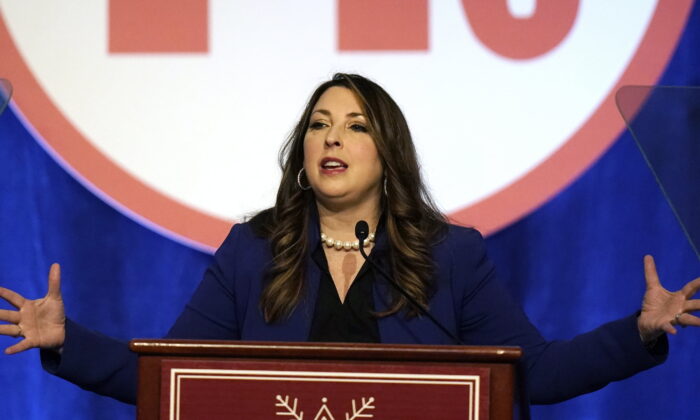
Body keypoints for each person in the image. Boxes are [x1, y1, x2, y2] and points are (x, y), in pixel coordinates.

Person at [0, 74, 698, 416]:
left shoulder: (451, 254)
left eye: (356, 126)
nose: (331, 137)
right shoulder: (253, 252)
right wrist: (68, 341)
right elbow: (177, 381)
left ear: (386, 153)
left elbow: (533, 376)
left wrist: (636, 335)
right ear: (303, 147)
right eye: (319, 124)